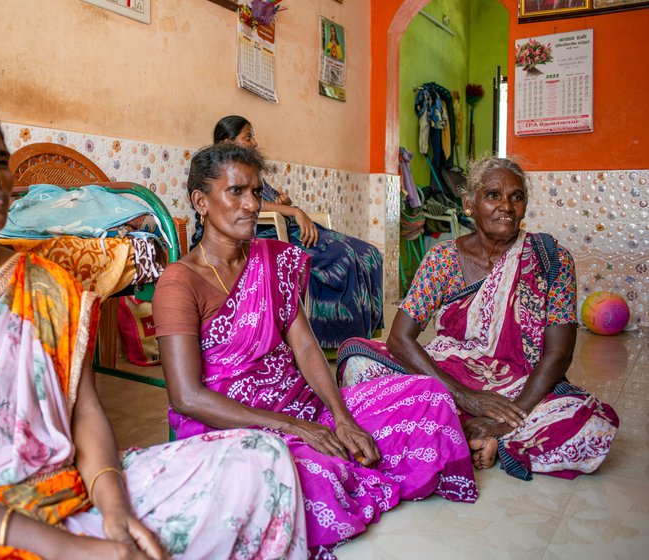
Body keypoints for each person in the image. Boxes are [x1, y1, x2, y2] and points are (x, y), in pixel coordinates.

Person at [0, 100, 307, 560]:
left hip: (68, 491)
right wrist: (69, 549)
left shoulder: (49, 283)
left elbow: (85, 414)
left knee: (259, 459)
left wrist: (115, 510)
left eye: (0, 160)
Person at [153, 143, 477, 559]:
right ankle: (331, 464)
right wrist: (294, 429)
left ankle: (344, 451)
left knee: (427, 396)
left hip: (303, 407)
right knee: (301, 478)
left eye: (256, 191)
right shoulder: (180, 283)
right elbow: (187, 396)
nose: (252, 204)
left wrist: (340, 418)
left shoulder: (271, 260)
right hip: (233, 425)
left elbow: (305, 346)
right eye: (237, 192)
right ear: (201, 201)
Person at [337, 156, 619, 480]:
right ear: (469, 203)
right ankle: (471, 430)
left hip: (516, 388)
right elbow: (399, 338)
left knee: (592, 428)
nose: (506, 207)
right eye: (493, 195)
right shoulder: (442, 259)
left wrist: (502, 421)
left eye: (516, 196)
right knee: (359, 363)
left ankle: (473, 433)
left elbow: (558, 355)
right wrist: (465, 396)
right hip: (448, 374)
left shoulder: (551, 260)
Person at [212, 115, 384, 349]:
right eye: (248, 137)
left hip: (287, 227)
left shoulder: (249, 171)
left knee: (370, 253)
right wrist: (292, 210)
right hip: (266, 233)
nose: (254, 143)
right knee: (344, 256)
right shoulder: (223, 173)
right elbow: (247, 204)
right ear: (226, 143)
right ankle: (341, 340)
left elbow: (265, 199)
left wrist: (286, 204)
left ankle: (368, 333)